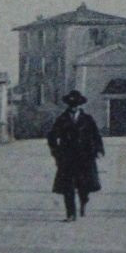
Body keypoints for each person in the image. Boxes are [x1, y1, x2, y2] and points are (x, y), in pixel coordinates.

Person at [47, 89, 104, 221]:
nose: (74, 107)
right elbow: (52, 137)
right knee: (68, 187)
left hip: (85, 157)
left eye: (76, 105)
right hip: (67, 158)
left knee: (84, 185)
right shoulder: (61, 119)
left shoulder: (88, 119)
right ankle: (71, 214)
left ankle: (84, 200)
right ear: (68, 105)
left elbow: (96, 135)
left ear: (80, 105)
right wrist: (56, 152)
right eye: (72, 105)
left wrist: (98, 149)